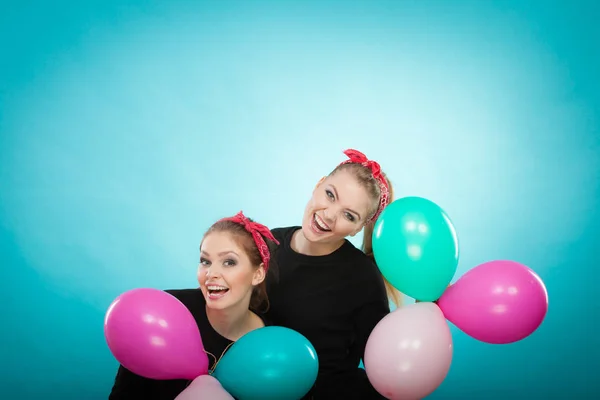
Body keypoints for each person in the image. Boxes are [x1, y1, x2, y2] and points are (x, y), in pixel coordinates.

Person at [264, 148, 401, 400]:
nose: (329, 215)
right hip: (257, 386)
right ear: (318, 185)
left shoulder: (363, 277)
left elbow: (383, 365)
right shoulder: (268, 244)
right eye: (330, 194)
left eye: (349, 215)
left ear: (358, 228)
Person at [108, 211, 279, 400]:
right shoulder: (163, 312)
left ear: (258, 274)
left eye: (229, 262)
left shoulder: (271, 346)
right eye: (205, 261)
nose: (211, 273)